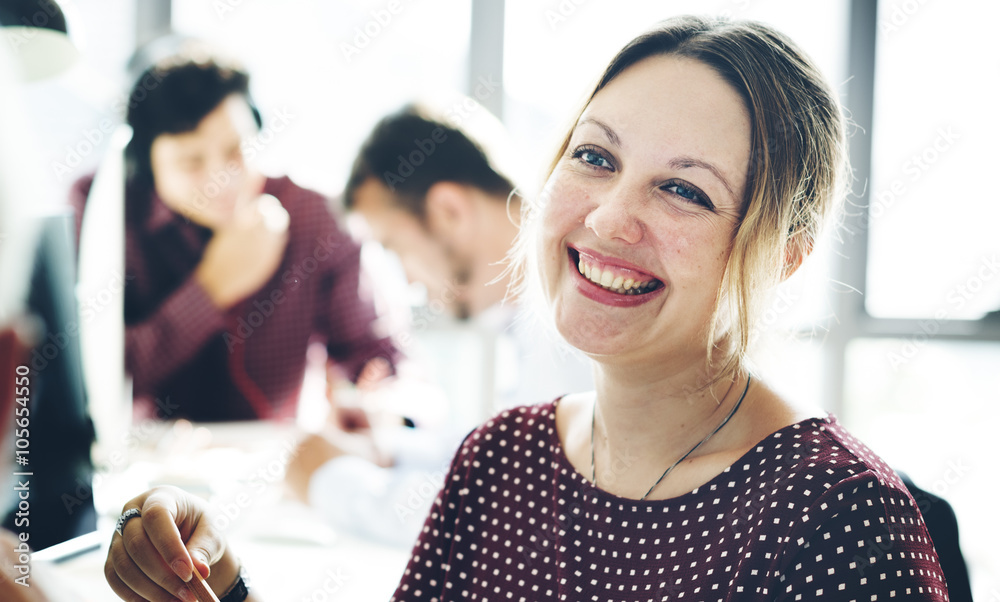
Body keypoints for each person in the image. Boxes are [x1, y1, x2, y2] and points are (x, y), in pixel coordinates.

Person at [103, 16, 951, 601]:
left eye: (686, 190)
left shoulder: (838, 519)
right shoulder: (498, 461)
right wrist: (218, 585)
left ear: (784, 255)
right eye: (593, 155)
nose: (610, 216)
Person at [284, 104, 593, 545]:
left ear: (449, 210)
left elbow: (505, 522)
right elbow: (494, 463)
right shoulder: (534, 315)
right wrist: (387, 448)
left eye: (393, 248)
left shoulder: (574, 322)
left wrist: (329, 480)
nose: (407, 279)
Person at [70, 50, 398, 422]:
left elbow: (374, 354)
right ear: (146, 166)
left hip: (276, 461)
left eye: (235, 150)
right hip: (142, 463)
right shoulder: (103, 209)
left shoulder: (315, 215)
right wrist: (211, 287)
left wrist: (368, 399)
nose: (221, 180)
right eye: (191, 162)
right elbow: (86, 379)